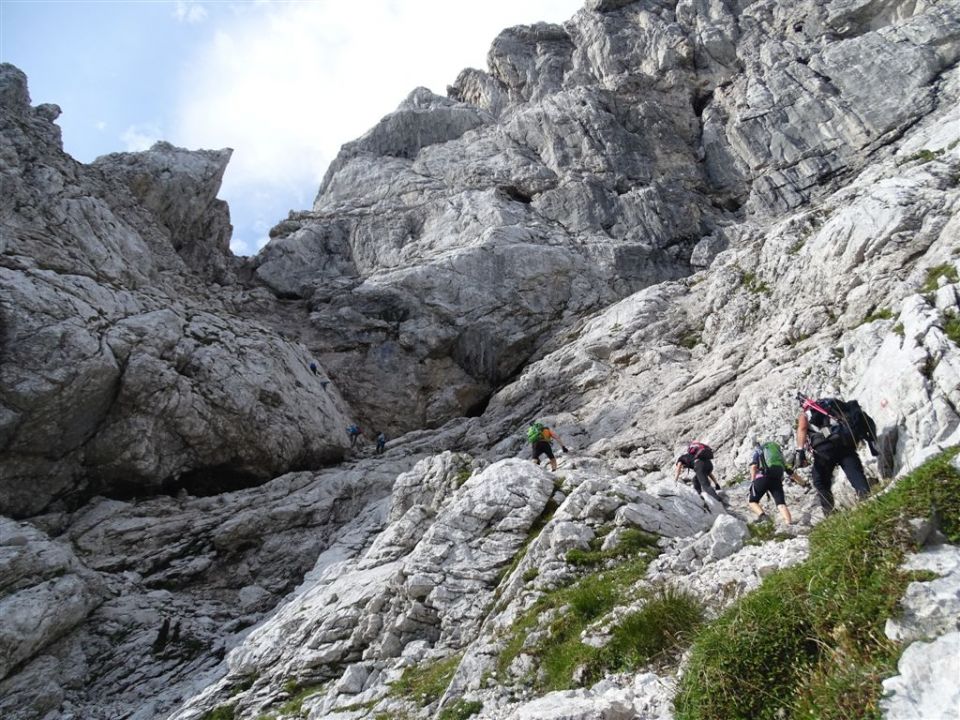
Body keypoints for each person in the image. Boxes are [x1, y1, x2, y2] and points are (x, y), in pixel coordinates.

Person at [794, 393, 873, 515]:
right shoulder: (829, 407)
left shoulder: (805, 414)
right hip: (844, 442)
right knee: (854, 470)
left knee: (820, 480)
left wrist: (800, 451)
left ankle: (829, 512)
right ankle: (866, 496)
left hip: (824, 448)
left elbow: (803, 428)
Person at [748, 441, 793, 525]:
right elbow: (791, 473)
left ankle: (763, 517)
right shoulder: (780, 458)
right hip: (776, 479)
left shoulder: (759, 451)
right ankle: (789, 523)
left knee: (752, 501)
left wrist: (753, 481)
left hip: (762, 478)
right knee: (781, 503)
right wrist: (804, 483)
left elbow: (753, 466)